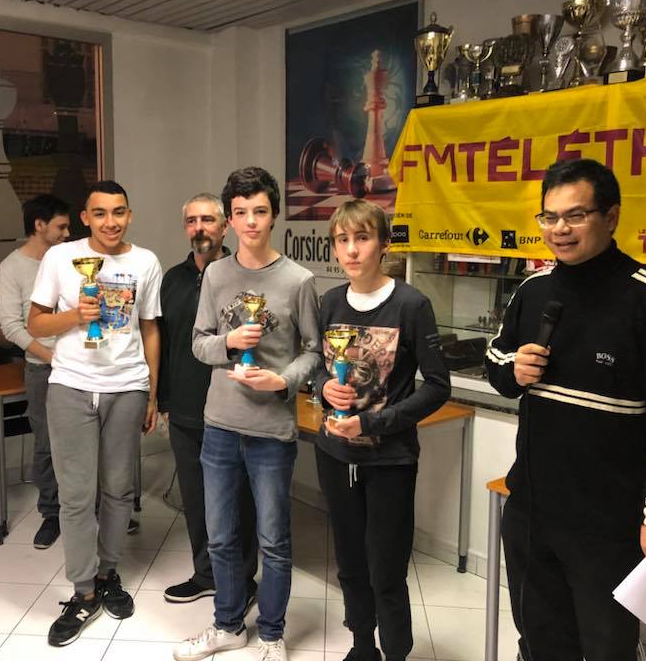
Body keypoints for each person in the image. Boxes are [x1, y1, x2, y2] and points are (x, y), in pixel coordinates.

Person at [485, 158, 646, 661]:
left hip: (608, 524)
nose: (559, 229)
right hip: (532, 511)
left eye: (575, 215)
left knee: (607, 648)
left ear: (611, 217)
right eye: (549, 217)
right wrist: (514, 369)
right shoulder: (533, 290)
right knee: (539, 641)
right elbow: (495, 359)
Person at [174, 167, 320, 661]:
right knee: (221, 538)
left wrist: (282, 381)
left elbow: (315, 352)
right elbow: (199, 344)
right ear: (229, 220)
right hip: (219, 426)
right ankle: (228, 626)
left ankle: (273, 634)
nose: (251, 221)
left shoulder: (299, 280)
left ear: (274, 215)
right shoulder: (215, 275)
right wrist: (230, 343)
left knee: (273, 541)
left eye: (260, 211)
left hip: (271, 430)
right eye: (241, 212)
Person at [314, 199, 450, 661]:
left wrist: (372, 422)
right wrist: (323, 388)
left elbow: (438, 387)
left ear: (385, 244)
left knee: (386, 570)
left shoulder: (411, 304)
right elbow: (319, 367)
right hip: (335, 455)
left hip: (389, 460)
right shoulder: (330, 302)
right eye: (342, 240)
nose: (352, 250)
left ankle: (395, 653)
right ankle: (361, 646)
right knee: (350, 564)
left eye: (363, 238)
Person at [28, 180, 162, 647]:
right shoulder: (60, 257)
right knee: (76, 496)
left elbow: (149, 328)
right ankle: (83, 590)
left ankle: (108, 574)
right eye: (100, 213)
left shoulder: (145, 262)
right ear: (85, 217)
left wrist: (152, 393)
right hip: (71, 386)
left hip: (127, 387)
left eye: (119, 212)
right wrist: (74, 317)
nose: (111, 221)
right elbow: (34, 322)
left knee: (119, 489)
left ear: (130, 215)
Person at [158, 193, 260, 605]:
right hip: (185, 410)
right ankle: (206, 574)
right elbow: (165, 344)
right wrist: (164, 402)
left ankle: (244, 581)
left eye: (207, 219)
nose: (199, 228)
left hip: (234, 409)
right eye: (191, 221)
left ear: (224, 226)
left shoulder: (244, 276)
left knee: (239, 501)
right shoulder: (172, 279)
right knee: (196, 500)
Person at [0, 194, 70, 549]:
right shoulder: (12, 268)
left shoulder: (70, 260)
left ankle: (98, 509)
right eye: (61, 226)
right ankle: (52, 514)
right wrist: (52, 357)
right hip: (43, 369)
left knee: (89, 440)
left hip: (81, 367)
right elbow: (12, 326)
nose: (68, 233)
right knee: (46, 443)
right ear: (39, 225)